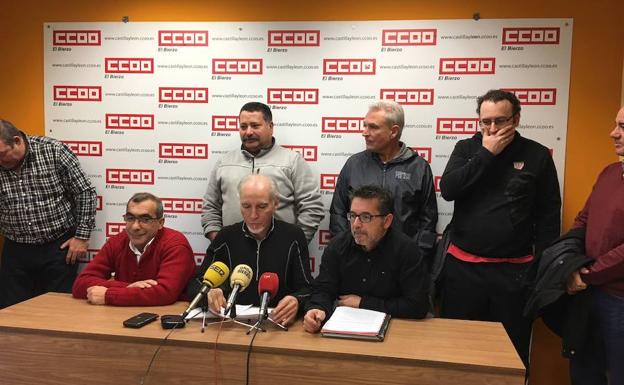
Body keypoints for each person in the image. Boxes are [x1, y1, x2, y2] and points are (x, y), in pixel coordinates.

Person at [438, 89, 561, 367]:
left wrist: (541, 269)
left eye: (501, 121)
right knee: (457, 351)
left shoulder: (538, 154)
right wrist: (486, 153)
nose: (492, 129)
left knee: (511, 356)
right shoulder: (467, 149)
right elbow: (448, 189)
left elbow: (548, 216)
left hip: (514, 273)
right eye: (486, 122)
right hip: (463, 271)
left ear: (516, 120)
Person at [303, 185, 429, 333]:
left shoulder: (406, 250)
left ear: (387, 221)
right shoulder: (337, 246)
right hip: (344, 329)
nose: (356, 224)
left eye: (365, 217)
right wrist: (317, 309)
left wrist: (364, 303)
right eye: (352, 216)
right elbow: (323, 289)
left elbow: (417, 305)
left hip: (395, 331)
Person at [190, 174, 313, 326]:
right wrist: (207, 293)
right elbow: (195, 282)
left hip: (276, 325)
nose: (253, 215)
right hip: (230, 326)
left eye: (262, 206)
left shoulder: (293, 236)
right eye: (246, 206)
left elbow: (308, 288)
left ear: (276, 204)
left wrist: (297, 301)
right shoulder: (226, 237)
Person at [0, 119, 96, 308]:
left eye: (2, 154)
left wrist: (82, 236)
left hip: (57, 246)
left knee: (58, 309)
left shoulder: (54, 151)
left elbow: (84, 192)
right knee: (10, 311)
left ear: (17, 141)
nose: (0, 161)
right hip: (15, 247)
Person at [201, 102, 324, 243]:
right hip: (232, 254)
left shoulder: (292, 161)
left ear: (270, 127)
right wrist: (219, 242)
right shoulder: (224, 162)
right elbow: (210, 207)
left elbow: (312, 207)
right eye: (243, 127)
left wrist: (292, 245)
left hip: (280, 255)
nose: (248, 132)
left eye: (255, 126)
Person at [329, 100, 437, 260]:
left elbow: (428, 222)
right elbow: (338, 212)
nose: (364, 132)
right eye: (364, 125)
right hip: (357, 261)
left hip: (402, 264)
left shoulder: (418, 168)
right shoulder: (354, 164)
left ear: (393, 132)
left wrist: (416, 258)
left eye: (372, 127)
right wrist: (349, 251)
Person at [565, 106, 624, 385]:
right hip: (587, 294)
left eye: (623, 127)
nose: (613, 133)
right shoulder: (610, 172)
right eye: (616, 124)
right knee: (584, 372)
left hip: (618, 300)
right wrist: (571, 266)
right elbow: (582, 220)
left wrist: (588, 273)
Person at [72, 193, 195, 306]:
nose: (135, 226)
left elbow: (165, 293)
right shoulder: (117, 241)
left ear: (160, 223)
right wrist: (127, 288)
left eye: (145, 219)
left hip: (166, 317)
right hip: (122, 315)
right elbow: (80, 284)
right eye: (130, 218)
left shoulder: (175, 245)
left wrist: (110, 294)